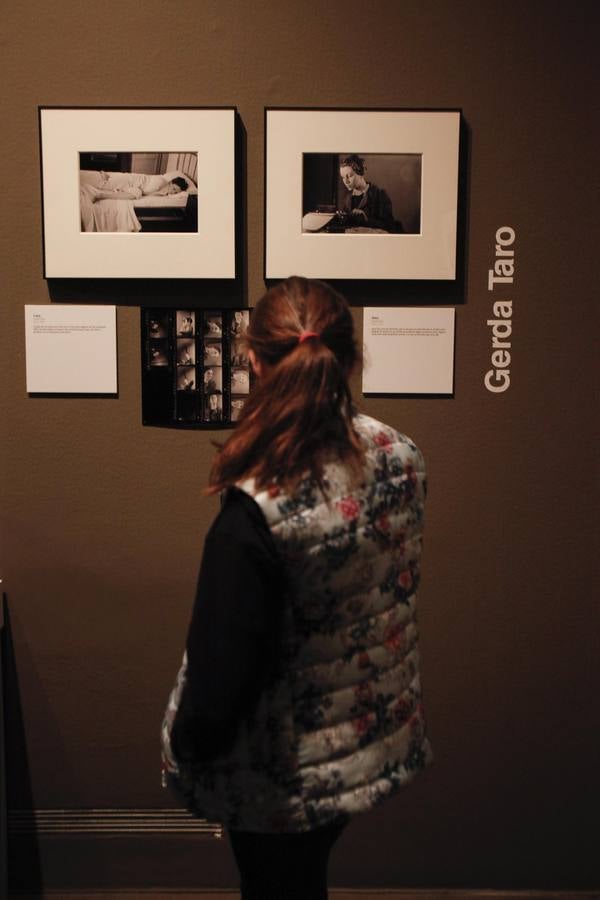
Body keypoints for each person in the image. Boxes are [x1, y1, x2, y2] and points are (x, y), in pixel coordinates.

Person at [162, 277, 431, 899]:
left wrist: (186, 747)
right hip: (363, 740)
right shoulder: (401, 454)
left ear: (253, 360)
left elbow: (219, 681)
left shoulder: (257, 506)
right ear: (351, 357)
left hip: (280, 771)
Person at [338, 154, 400, 232]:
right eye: (343, 177)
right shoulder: (348, 198)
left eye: (349, 176)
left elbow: (389, 226)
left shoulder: (379, 194)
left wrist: (366, 219)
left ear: (361, 173)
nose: (346, 181)